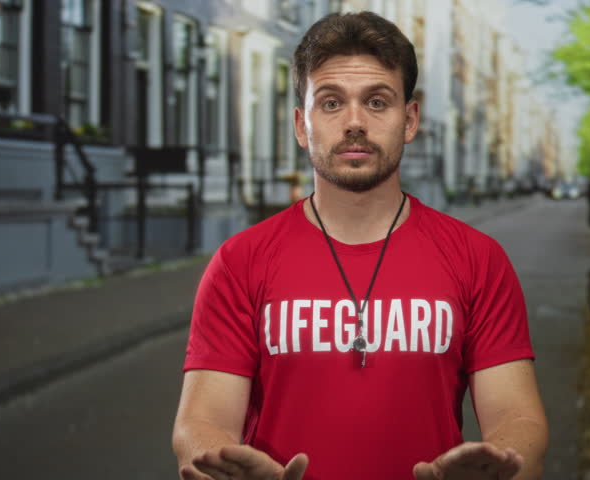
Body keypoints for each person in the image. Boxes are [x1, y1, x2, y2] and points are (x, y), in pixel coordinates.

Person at [172, 11, 548, 480]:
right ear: (301, 125)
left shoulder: (478, 259)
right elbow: (200, 422)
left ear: (409, 119)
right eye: (330, 103)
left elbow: (520, 419)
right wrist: (221, 463)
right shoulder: (239, 262)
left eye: (376, 102)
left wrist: (505, 462)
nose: (354, 122)